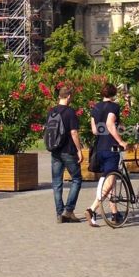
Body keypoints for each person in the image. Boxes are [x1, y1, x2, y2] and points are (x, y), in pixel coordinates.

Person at [87, 83, 128, 228]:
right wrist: (121, 141)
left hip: (99, 148)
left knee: (111, 179)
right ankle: (92, 209)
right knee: (110, 182)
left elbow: (94, 130)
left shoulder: (95, 108)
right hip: (111, 149)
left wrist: (117, 127)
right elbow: (110, 124)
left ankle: (115, 212)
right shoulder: (114, 107)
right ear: (113, 93)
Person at [45, 83, 84, 223]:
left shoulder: (52, 111)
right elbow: (73, 132)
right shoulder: (69, 112)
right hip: (68, 151)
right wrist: (79, 150)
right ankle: (69, 211)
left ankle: (59, 213)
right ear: (68, 96)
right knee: (77, 179)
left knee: (56, 183)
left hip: (55, 151)